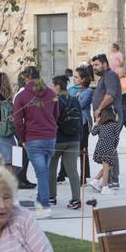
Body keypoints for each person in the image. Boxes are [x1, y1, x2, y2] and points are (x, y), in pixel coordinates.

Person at [12, 67, 58, 219]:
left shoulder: (22, 95)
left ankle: (45, 205)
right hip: (50, 136)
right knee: (43, 171)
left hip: (33, 137)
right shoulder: (51, 93)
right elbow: (56, 114)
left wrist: (22, 139)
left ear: (26, 78)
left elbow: (18, 121)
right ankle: (40, 200)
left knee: (41, 173)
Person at [88, 54, 123, 194]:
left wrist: (99, 109)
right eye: (93, 65)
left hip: (110, 119)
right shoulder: (104, 77)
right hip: (104, 120)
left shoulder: (110, 76)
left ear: (104, 64)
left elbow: (110, 95)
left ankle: (108, 181)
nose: (94, 68)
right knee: (109, 150)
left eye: (96, 65)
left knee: (109, 151)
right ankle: (107, 180)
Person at [48, 75, 84, 211]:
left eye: (52, 85)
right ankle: (76, 199)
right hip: (74, 140)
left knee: (51, 167)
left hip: (57, 139)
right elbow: (80, 120)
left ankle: (51, 196)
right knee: (73, 170)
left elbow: (51, 120)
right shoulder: (74, 100)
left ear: (57, 86)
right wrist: (79, 138)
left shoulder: (55, 100)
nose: (51, 88)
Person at [69, 66, 94, 182]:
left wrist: (74, 99)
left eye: (76, 77)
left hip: (84, 123)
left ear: (83, 79)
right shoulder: (73, 90)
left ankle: (84, 176)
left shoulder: (89, 91)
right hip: (73, 123)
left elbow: (80, 105)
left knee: (83, 149)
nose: (73, 79)